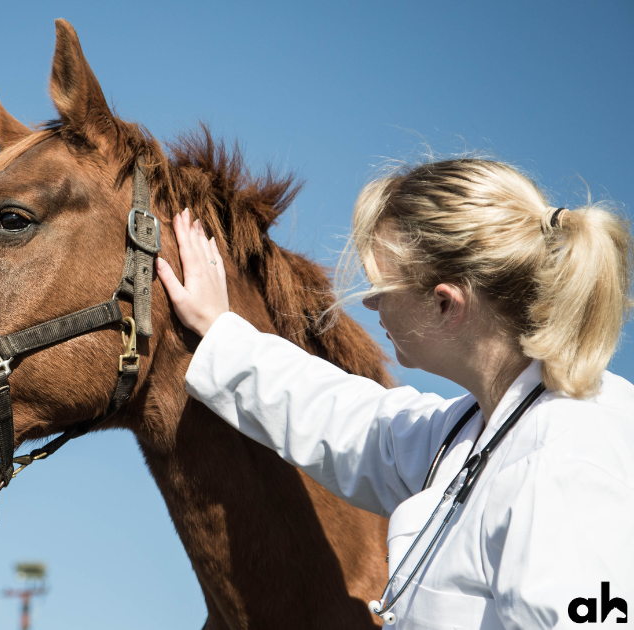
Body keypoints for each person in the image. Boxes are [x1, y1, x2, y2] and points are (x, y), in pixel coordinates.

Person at [155, 158, 634, 628]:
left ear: (447, 304)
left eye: (383, 284)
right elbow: (346, 420)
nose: (370, 301)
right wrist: (221, 331)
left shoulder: (564, 462)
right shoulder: (472, 433)